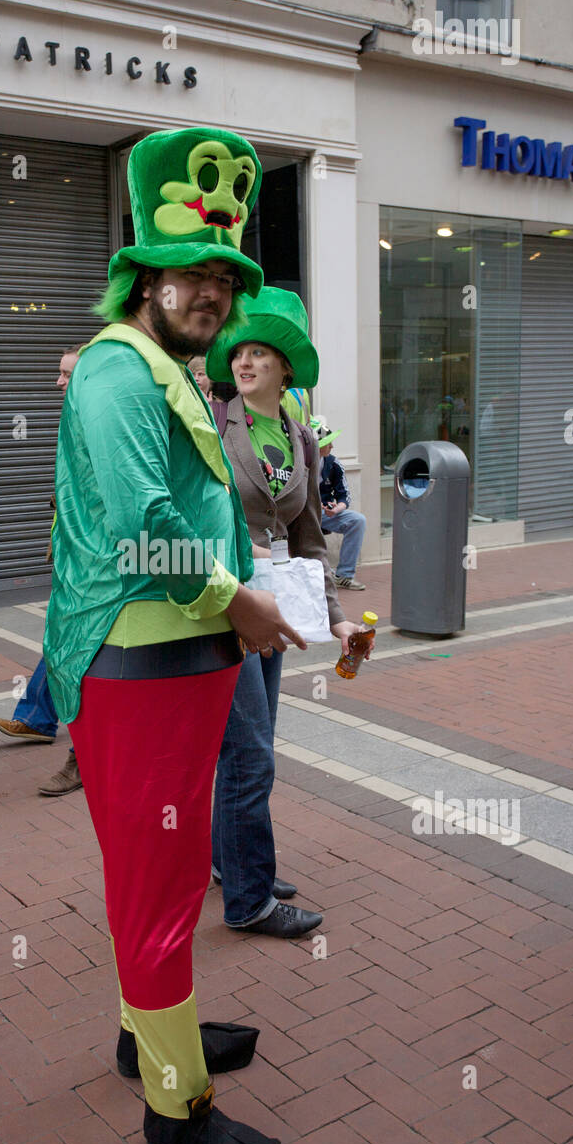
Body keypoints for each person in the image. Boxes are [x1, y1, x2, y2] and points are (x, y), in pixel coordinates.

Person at [44, 125, 308, 1144]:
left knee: (153, 875)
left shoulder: (171, 366)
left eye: (222, 275)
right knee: (157, 888)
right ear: (141, 274)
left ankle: (145, 1036)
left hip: (180, 669)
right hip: (140, 671)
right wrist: (238, 600)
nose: (208, 290)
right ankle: (174, 1109)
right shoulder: (117, 371)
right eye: (189, 273)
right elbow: (137, 529)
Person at [206, 288, 364, 936]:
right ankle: (251, 902)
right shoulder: (215, 422)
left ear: (286, 368)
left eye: (260, 352)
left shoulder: (300, 438)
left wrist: (334, 620)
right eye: (239, 351)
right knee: (249, 756)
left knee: (250, 748)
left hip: (278, 606)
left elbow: (306, 538)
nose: (245, 362)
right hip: (226, 603)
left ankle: (232, 864)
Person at [0, 348, 83, 796]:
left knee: (76, 645)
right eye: (58, 373)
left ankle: (74, 747)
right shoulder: (75, 419)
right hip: (75, 558)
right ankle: (39, 720)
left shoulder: (102, 418)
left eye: (66, 374)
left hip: (100, 566)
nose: (57, 382)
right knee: (63, 640)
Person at [312, 417, 367, 590]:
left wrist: (336, 509)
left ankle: (344, 575)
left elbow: (344, 496)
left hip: (325, 513)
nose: (332, 447)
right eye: (329, 443)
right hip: (302, 512)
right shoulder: (301, 462)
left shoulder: (333, 463)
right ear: (318, 445)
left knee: (358, 520)